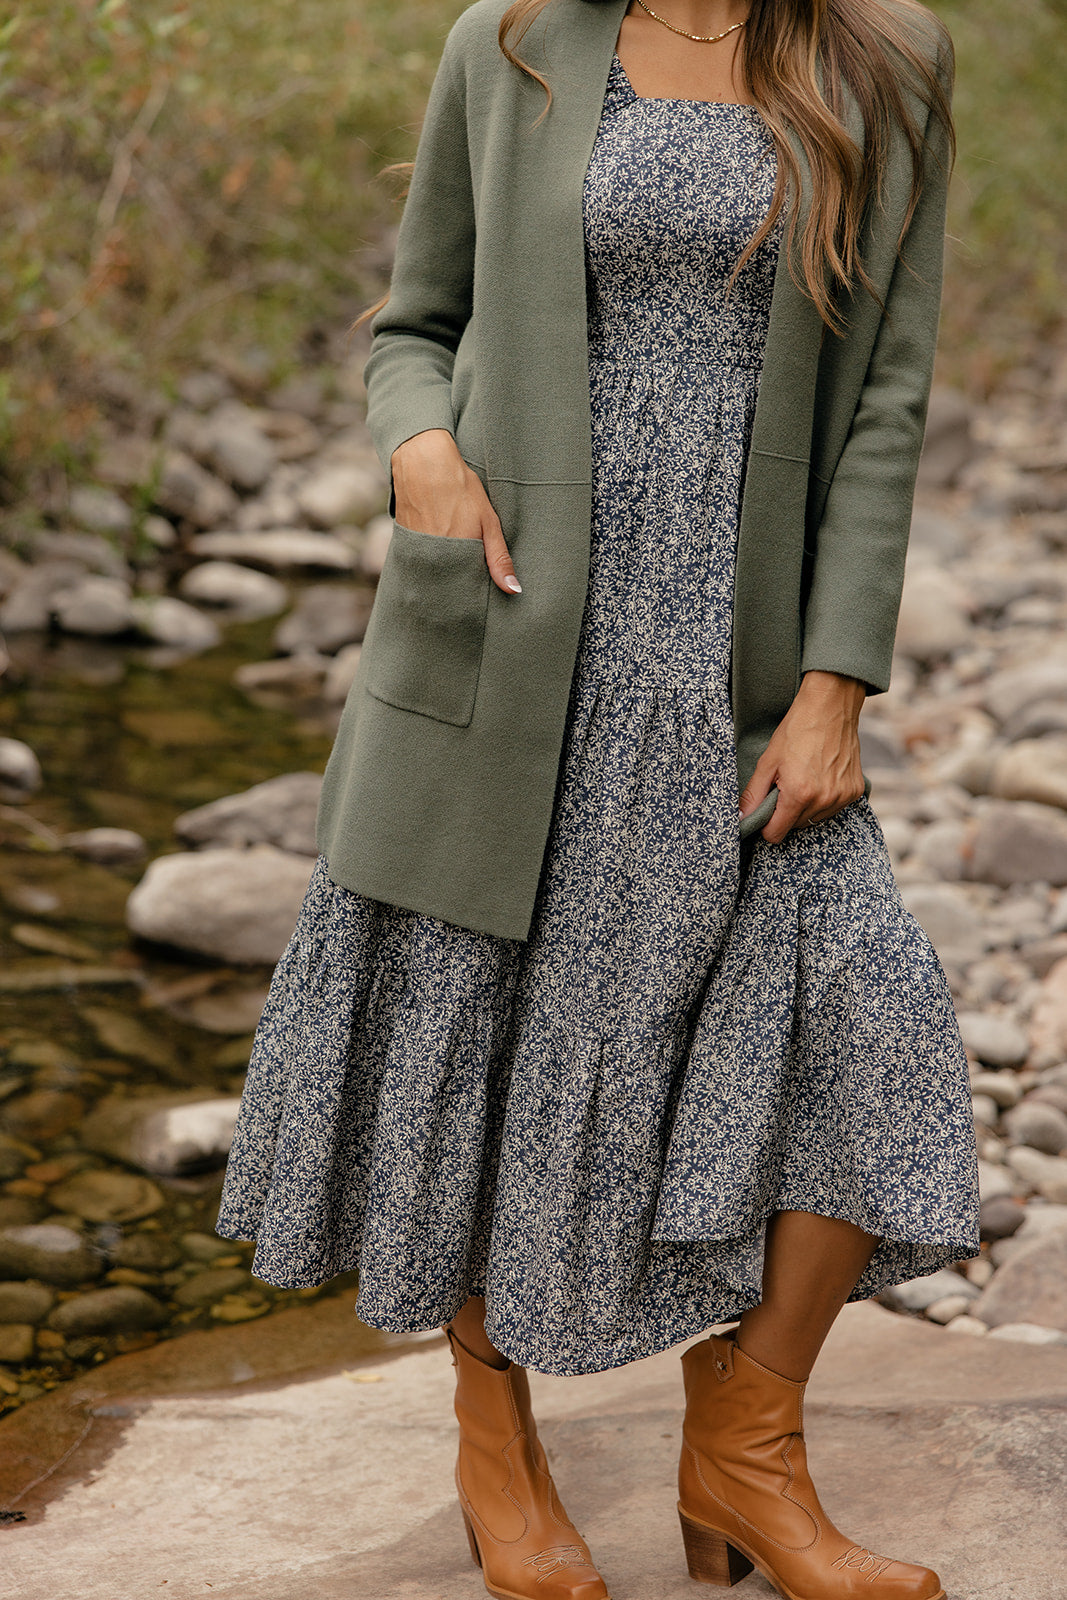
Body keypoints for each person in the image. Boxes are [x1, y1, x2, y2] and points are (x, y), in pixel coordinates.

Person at [216, 2, 980, 1597]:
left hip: (738, 663)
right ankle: (498, 1447)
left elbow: (888, 397)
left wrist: (839, 679)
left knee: (873, 1021)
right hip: (509, 639)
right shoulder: (508, 41)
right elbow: (408, 325)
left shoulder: (882, 62)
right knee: (478, 1030)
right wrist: (420, 447)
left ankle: (745, 1448)